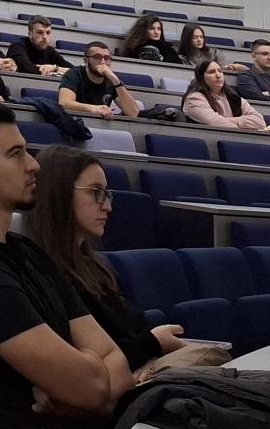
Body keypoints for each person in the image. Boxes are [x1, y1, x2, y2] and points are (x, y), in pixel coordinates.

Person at [0, 100, 134, 429]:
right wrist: (90, 375)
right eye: (16, 154)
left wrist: (84, 385)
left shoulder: (27, 251)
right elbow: (94, 386)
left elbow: (117, 366)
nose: (34, 165)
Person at [23, 146, 195, 375]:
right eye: (95, 192)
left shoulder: (95, 268)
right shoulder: (43, 274)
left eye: (106, 193)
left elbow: (136, 327)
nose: (107, 206)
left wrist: (151, 351)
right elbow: (85, 362)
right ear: (59, 194)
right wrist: (153, 343)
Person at [57, 41, 139, 120]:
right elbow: (64, 103)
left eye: (107, 58)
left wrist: (116, 80)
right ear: (86, 61)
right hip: (74, 122)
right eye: (97, 57)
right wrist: (94, 109)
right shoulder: (74, 74)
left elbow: (133, 113)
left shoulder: (111, 79)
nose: (103, 62)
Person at [181, 60, 267, 131]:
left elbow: (260, 122)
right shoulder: (194, 99)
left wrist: (225, 120)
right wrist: (243, 123)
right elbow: (225, 127)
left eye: (220, 71)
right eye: (211, 72)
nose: (218, 75)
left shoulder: (233, 97)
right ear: (201, 78)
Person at [116, 13, 180, 63]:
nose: (156, 32)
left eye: (159, 29)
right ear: (143, 31)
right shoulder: (133, 49)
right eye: (152, 28)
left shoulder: (169, 51)